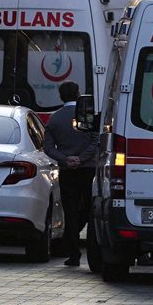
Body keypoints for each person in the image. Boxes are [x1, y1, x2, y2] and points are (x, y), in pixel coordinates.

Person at [43, 82, 99, 267]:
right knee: (89, 208)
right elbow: (95, 140)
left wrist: (66, 159)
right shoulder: (86, 116)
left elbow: (48, 147)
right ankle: (91, 246)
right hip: (88, 168)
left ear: (60, 96)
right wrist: (82, 158)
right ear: (78, 94)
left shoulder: (55, 119)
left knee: (70, 210)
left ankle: (73, 254)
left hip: (67, 170)